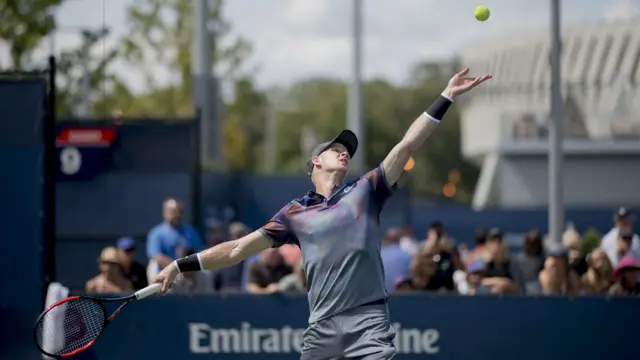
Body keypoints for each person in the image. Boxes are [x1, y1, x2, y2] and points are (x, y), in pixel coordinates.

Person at [152, 68, 491, 360]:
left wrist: (445, 96)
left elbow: (405, 146)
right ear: (316, 161)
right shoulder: (294, 213)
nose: (344, 154)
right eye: (336, 149)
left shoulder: (367, 190)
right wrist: (180, 264)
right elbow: (238, 249)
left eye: (347, 151)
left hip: (369, 319)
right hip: (322, 328)